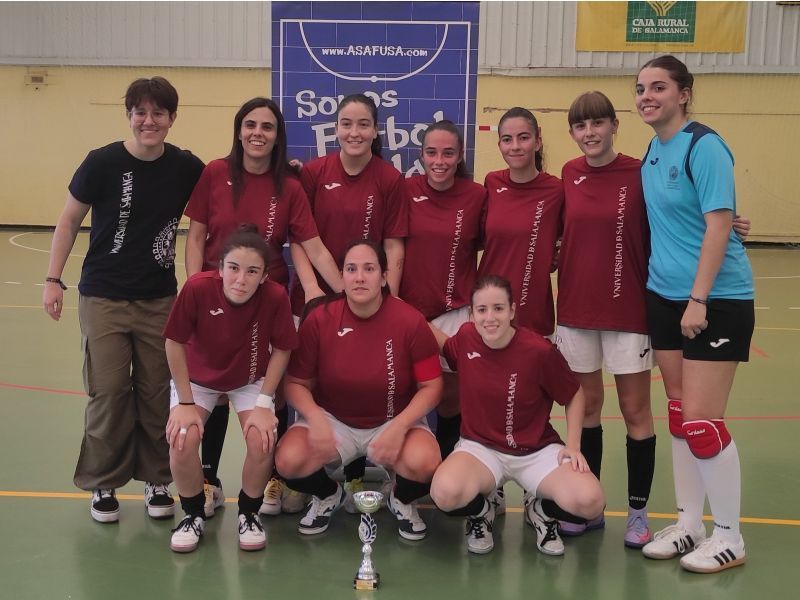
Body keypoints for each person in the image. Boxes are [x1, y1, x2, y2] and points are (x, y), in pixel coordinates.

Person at [42, 77, 204, 523]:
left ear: (172, 118)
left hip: (159, 299)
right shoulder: (102, 162)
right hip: (104, 296)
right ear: (129, 116)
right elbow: (69, 220)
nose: (148, 121)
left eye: (158, 113)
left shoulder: (186, 167)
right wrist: (53, 279)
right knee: (109, 391)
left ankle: (157, 479)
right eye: (140, 112)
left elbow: (220, 202)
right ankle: (104, 482)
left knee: (157, 392)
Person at [183, 97, 341, 518]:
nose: (257, 133)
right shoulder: (215, 173)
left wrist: (348, 294)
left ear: (277, 136)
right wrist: (194, 289)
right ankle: (208, 479)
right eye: (250, 124)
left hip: (264, 308)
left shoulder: (288, 187)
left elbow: (315, 247)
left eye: (267, 127)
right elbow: (196, 238)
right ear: (238, 131)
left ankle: (270, 475)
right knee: (212, 389)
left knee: (270, 389)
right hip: (216, 299)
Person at [636, 55, 754, 573]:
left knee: (705, 422)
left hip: (714, 300)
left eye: (658, 87)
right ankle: (690, 523)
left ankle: (730, 534)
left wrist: (699, 299)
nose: (647, 96)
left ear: (684, 93)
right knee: (682, 417)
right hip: (662, 295)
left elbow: (717, 225)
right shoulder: (653, 149)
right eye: (640, 89)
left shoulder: (705, 145)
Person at [274, 240, 443, 540]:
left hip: (393, 419)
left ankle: (400, 499)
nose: (360, 277)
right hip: (335, 421)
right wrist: (315, 418)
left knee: (427, 463)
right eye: (351, 269)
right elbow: (295, 384)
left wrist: (401, 426)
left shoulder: (410, 320)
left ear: (383, 276)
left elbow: (432, 387)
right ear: (342, 276)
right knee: (288, 460)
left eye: (369, 268)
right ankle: (329, 495)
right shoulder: (320, 320)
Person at [289, 93, 408, 511]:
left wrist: (387, 294)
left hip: (369, 299)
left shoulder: (390, 179)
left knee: (367, 375)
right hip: (318, 298)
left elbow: (393, 246)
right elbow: (299, 237)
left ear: (376, 131)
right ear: (334, 129)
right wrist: (312, 292)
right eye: (346, 123)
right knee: (307, 379)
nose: (354, 132)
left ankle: (361, 473)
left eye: (363, 124)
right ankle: (295, 478)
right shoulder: (315, 173)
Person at [429, 275, 605, 555]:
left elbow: (574, 395)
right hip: (481, 448)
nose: (490, 318)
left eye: (498, 308)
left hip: (535, 450)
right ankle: (482, 513)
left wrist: (573, 446)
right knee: (445, 492)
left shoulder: (539, 351)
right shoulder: (466, 339)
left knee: (590, 502)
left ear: (512, 311)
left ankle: (540, 510)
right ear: (472, 314)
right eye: (482, 310)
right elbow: (441, 342)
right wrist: (400, 311)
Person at [556, 91, 656, 548]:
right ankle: (588, 505)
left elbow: (675, 217)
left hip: (628, 310)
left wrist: (726, 221)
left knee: (636, 411)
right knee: (588, 409)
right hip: (576, 311)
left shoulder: (640, 172)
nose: (589, 133)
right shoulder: (568, 174)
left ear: (615, 125)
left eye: (597, 123)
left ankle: (637, 513)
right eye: (580, 126)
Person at [164, 224, 297, 553]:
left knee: (262, 440)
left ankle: (249, 515)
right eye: (234, 268)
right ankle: (193, 515)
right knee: (182, 438)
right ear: (220, 267)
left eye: (252, 271)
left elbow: (283, 348)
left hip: (249, 379)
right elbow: (174, 342)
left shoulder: (276, 297)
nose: (241, 279)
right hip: (197, 382)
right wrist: (184, 402)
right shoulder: (197, 288)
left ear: (265, 275)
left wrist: (265, 401)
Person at [399, 119, 487, 463]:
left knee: (452, 397)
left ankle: (448, 467)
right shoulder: (405, 190)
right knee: (404, 392)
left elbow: (494, 242)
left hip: (454, 312)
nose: (439, 160)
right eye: (432, 152)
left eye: (448, 153)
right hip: (407, 311)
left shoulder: (477, 195)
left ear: (460, 155)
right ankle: (403, 474)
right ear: (421, 154)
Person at [478, 107, 563, 338]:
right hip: (489, 311)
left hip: (533, 313)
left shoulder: (557, 190)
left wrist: (555, 253)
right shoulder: (492, 182)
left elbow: (568, 237)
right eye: (507, 139)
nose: (515, 146)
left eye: (523, 138)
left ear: (537, 141)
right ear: (499, 145)